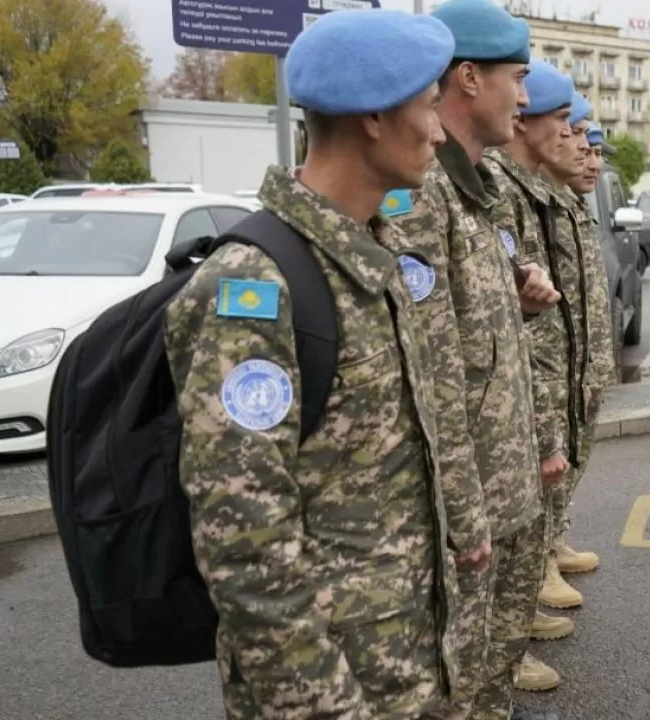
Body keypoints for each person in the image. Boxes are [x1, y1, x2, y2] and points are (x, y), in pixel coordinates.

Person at [162, 9, 458, 718]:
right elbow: (246, 547)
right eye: (429, 107)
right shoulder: (257, 290)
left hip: (401, 669)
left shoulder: (368, 255)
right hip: (330, 691)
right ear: (376, 118)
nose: (442, 131)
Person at [390, 1, 560, 719]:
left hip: (508, 486)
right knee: (458, 689)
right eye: (515, 79)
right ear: (467, 78)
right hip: (472, 507)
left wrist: (518, 303)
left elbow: (481, 340)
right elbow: (428, 376)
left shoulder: (477, 190)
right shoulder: (422, 194)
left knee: (493, 677)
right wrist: (466, 520)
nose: (523, 99)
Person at [482, 58, 580, 692]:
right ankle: (500, 652)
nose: (574, 140)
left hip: (538, 389)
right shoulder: (494, 191)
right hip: (505, 414)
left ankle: (509, 633)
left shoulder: (523, 193)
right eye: (564, 122)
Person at [533, 93, 619, 614]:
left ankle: (554, 537)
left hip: (580, 361)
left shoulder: (571, 205)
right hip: (552, 363)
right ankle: (539, 559)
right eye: (576, 136)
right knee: (549, 463)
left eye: (593, 147)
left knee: (573, 458)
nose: (589, 155)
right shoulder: (539, 200)